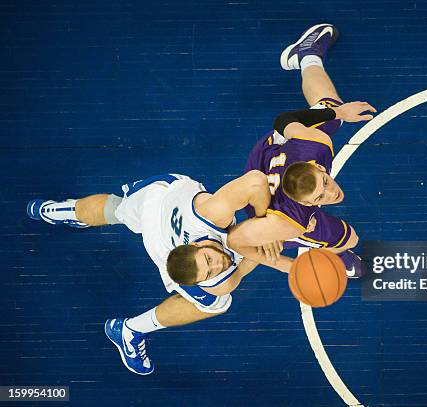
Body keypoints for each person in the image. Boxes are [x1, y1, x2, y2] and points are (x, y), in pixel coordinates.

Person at [26, 170, 275, 375]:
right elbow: (234, 277)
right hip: (157, 222)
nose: (218, 266)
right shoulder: (218, 281)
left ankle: (59, 211)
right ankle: (130, 330)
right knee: (216, 303)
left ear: (197, 245)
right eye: (210, 268)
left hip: (163, 196)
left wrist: (265, 221)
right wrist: (266, 235)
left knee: (117, 208)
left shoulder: (212, 214)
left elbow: (256, 181)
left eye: (210, 261)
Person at [228, 23, 376, 275]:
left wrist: (338, 113)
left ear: (318, 167)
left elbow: (283, 122)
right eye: (320, 198)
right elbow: (234, 241)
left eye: (326, 183)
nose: (332, 194)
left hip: (267, 157)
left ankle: (306, 55)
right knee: (350, 240)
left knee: (330, 108)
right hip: (275, 220)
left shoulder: (314, 145)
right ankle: (336, 259)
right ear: (305, 204)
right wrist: (293, 266)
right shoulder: (293, 222)